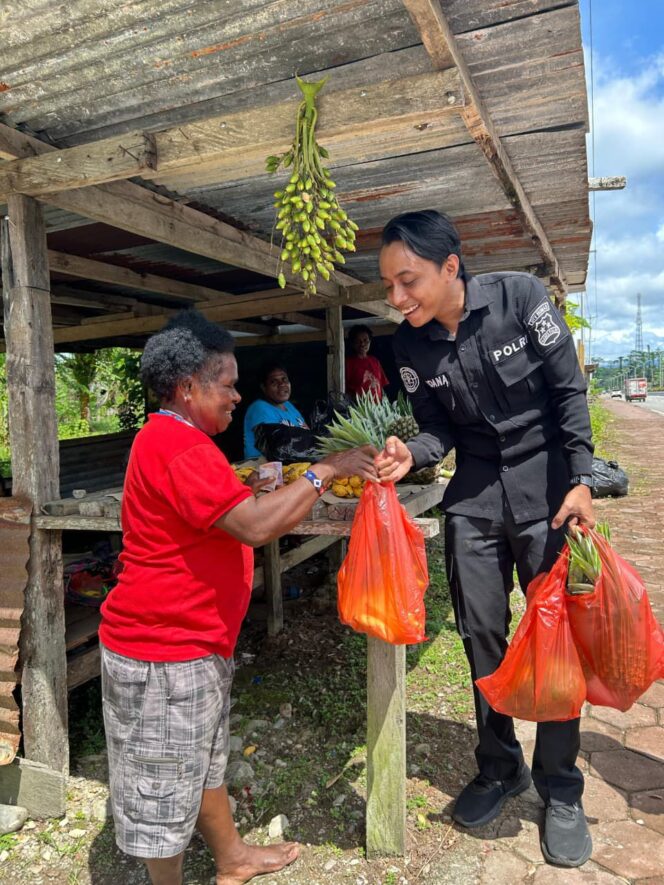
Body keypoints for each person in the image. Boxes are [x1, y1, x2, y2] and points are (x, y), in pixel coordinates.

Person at [99, 310, 376, 885]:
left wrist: (253, 487)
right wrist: (323, 472)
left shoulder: (179, 442)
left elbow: (219, 513)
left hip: (191, 645)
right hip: (163, 652)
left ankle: (233, 858)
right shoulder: (179, 446)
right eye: (226, 384)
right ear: (188, 387)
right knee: (163, 786)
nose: (236, 394)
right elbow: (254, 527)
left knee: (200, 761)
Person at [375, 210, 596, 868]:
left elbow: (568, 389)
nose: (396, 298)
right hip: (472, 494)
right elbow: (436, 430)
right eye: (388, 285)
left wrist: (581, 478)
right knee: (481, 633)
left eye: (407, 280)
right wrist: (405, 449)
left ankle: (560, 785)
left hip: (548, 490)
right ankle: (500, 767)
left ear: (450, 267)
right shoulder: (405, 346)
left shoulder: (521, 300)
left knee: (555, 635)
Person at [243, 363, 307, 458]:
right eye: (274, 382)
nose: (282, 384)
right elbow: (277, 448)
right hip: (263, 468)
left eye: (284, 379)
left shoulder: (288, 405)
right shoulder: (259, 408)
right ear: (264, 387)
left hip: (292, 464)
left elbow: (307, 433)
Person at [345, 324, 389, 400]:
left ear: (370, 341)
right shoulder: (348, 363)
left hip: (377, 408)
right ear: (352, 344)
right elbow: (344, 389)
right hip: (359, 409)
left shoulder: (375, 361)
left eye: (365, 340)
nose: (362, 344)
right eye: (358, 341)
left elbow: (381, 386)